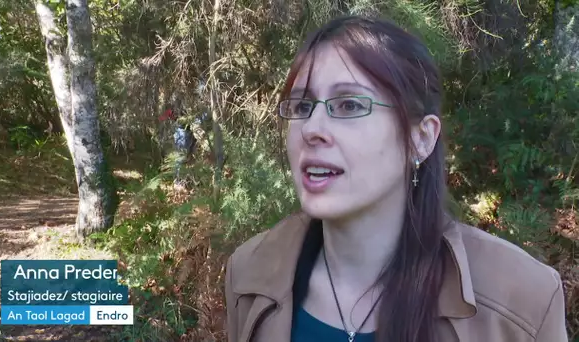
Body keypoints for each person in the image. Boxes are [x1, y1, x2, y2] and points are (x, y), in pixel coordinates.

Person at [224, 15, 568, 342]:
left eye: (348, 106)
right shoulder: (250, 274)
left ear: (420, 138)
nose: (312, 129)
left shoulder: (522, 300)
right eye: (301, 107)